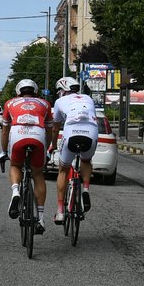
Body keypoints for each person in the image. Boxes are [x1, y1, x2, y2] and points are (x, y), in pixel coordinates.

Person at [0, 78, 54, 232]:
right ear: (35, 92)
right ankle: (41, 219)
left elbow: (4, 131)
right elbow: (49, 131)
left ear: (18, 92)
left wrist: (4, 151)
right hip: (38, 135)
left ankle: (16, 191)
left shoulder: (10, 103)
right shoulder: (45, 104)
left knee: (15, 165)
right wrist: (47, 149)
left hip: (18, 134)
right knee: (38, 174)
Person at [50, 76, 100, 225]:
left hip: (71, 133)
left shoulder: (59, 101)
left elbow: (55, 127)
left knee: (63, 169)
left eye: (59, 90)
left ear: (63, 90)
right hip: (91, 133)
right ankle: (85, 189)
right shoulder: (88, 98)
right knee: (86, 160)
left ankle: (60, 211)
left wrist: (53, 144)